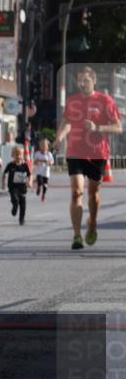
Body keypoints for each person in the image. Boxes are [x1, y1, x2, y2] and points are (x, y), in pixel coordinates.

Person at [55, 66, 122, 249]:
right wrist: (60, 137)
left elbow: (118, 127)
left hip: (97, 153)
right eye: (80, 80)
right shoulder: (72, 101)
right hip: (75, 152)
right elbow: (67, 122)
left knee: (93, 194)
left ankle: (92, 222)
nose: (82, 83)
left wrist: (98, 128)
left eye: (85, 80)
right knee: (77, 191)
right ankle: (76, 236)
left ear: (94, 81)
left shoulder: (105, 101)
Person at [3, 145, 32, 226]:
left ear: (23, 155)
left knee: (23, 204)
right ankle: (15, 207)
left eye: (20, 154)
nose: (19, 156)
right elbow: (4, 173)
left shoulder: (25, 165)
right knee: (15, 199)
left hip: (22, 187)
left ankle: (22, 219)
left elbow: (30, 175)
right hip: (13, 187)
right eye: (17, 154)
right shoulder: (10, 165)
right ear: (13, 155)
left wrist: (30, 182)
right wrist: (3, 182)